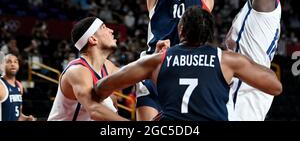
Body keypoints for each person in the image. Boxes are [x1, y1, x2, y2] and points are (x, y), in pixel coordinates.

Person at [94, 6, 282, 121]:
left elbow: (102, 87)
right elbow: (275, 86)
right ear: (210, 34)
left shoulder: (157, 60)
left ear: (181, 29)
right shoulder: (227, 60)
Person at [48, 17, 128, 121]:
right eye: (104, 27)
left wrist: (153, 58)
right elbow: (94, 110)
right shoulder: (77, 70)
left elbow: (132, 75)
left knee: (111, 102)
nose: (111, 30)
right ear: (93, 39)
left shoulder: (107, 66)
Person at [0, 53, 36, 121]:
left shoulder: (19, 86)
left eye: (15, 62)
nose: (13, 64)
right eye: (9, 62)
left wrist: (26, 118)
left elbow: (18, 116)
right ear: (1, 66)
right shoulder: (1, 85)